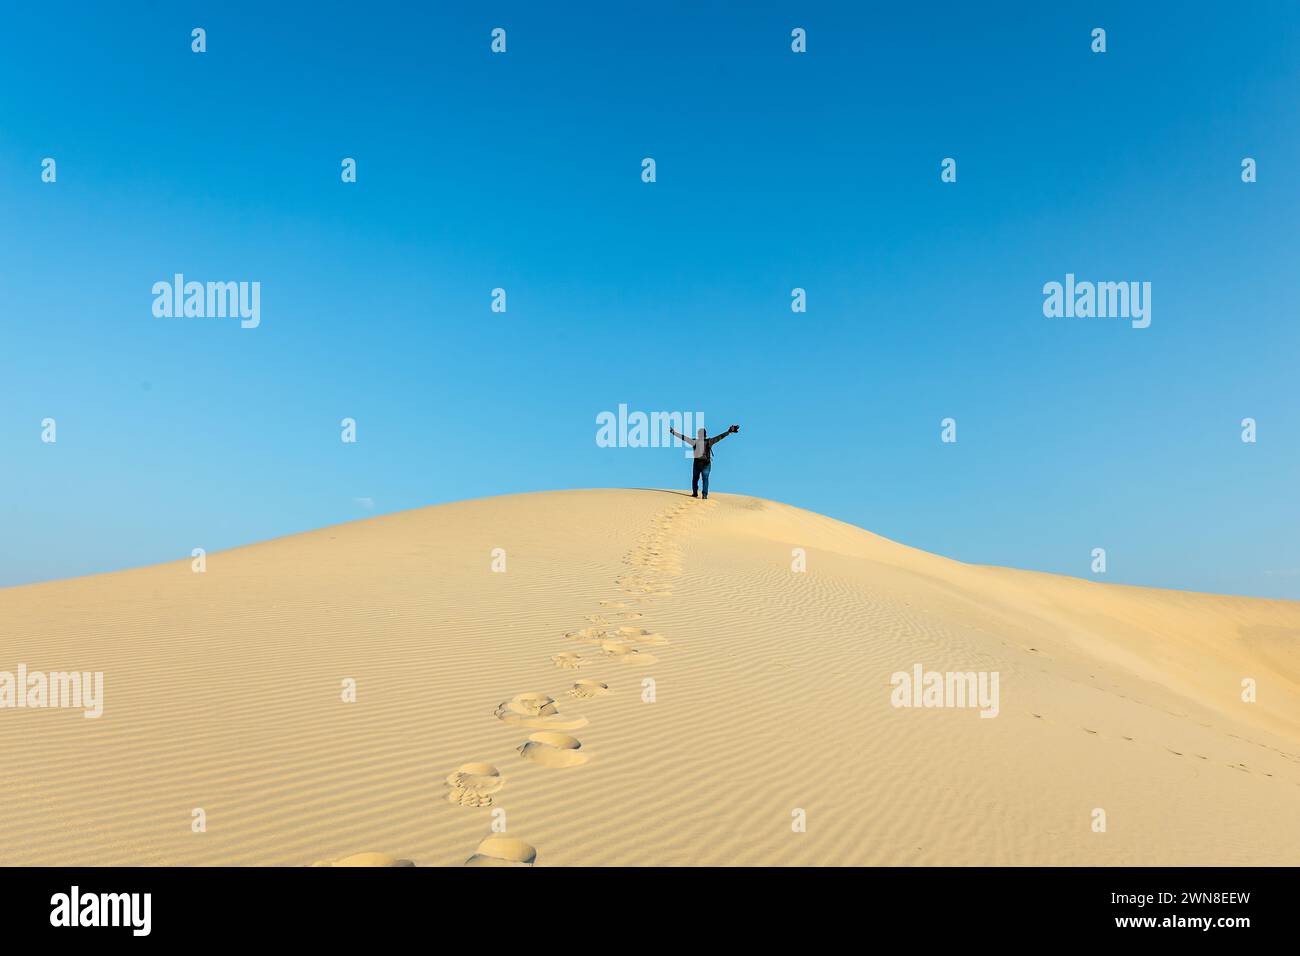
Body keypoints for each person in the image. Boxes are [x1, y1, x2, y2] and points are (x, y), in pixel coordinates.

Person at [667, 423, 740, 498]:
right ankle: (704, 495)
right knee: (705, 479)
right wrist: (729, 431)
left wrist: (673, 432)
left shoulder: (694, 441)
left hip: (697, 464)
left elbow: (684, 438)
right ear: (705, 434)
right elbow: (720, 437)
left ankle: (695, 493)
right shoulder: (709, 441)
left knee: (695, 478)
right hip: (706, 464)